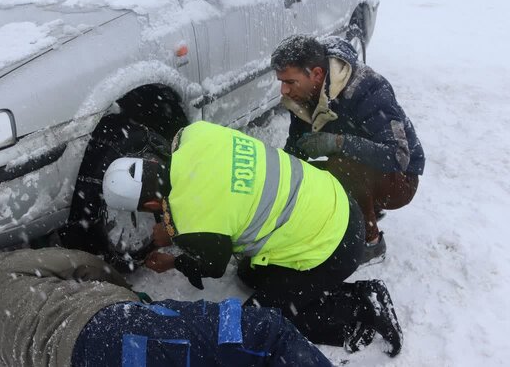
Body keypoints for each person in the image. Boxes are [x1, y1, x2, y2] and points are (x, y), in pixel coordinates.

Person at [103, 120, 403, 357]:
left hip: (334, 247)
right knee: (250, 274)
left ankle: (364, 303)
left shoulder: (191, 220)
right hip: (332, 197)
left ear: (151, 206)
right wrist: (175, 226)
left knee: (262, 321)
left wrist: (174, 257)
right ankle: (309, 287)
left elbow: (213, 266)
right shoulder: (195, 135)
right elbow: (216, 197)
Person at [0, 247, 333, 367]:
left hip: (74, 361)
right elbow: (79, 263)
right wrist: (124, 290)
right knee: (261, 330)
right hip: (108, 329)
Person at [271, 35, 425, 264]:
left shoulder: (367, 89)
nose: (284, 90)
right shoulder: (303, 92)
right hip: (363, 168)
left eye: (290, 82)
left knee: (341, 166)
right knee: (309, 176)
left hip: (400, 179)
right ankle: (354, 210)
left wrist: (338, 143)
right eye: (281, 81)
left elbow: (398, 156)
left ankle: (369, 242)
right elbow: (296, 148)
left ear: (316, 74)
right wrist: (277, 182)